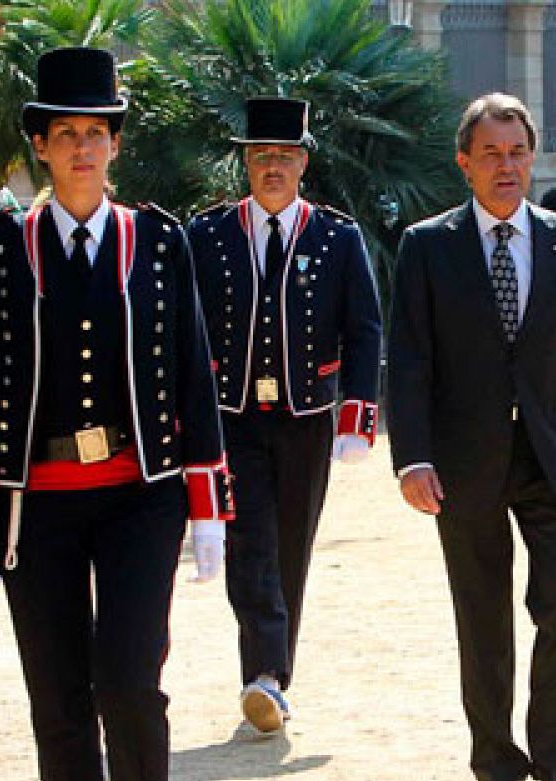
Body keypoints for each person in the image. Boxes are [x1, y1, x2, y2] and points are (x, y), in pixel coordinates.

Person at [0, 46, 232, 781]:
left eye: (94, 134)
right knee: (60, 706)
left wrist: (208, 504)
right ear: (41, 146)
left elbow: (191, 370)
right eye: (65, 134)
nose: (80, 149)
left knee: (132, 685)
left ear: (113, 146)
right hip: (40, 510)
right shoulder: (0, 247)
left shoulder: (159, 240)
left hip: (142, 500)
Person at [386, 92, 556, 781]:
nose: (507, 165)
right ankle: (496, 769)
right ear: (465, 164)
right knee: (482, 617)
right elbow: (411, 360)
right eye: (491, 153)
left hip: (555, 455)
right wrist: (412, 457)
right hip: (464, 460)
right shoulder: (428, 246)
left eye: (517, 151)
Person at [187, 98, 381, 735]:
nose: (273, 167)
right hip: (231, 416)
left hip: (306, 416)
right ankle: (264, 674)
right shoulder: (209, 235)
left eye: (285, 156)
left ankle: (271, 675)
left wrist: (357, 417)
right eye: (261, 156)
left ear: (303, 162)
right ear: (246, 162)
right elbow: (185, 332)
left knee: (291, 544)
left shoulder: (336, 235)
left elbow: (364, 329)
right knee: (249, 541)